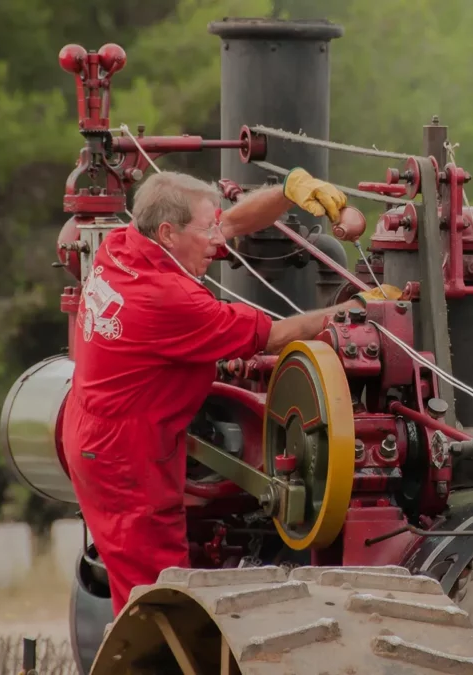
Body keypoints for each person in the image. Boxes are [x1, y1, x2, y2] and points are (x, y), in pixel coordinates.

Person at [61, 168, 400, 616]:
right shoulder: (169, 300)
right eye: (206, 230)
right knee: (158, 596)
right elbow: (275, 335)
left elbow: (232, 224)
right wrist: (360, 308)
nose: (217, 241)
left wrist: (288, 190)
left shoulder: (123, 244)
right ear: (168, 232)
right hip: (127, 457)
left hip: (99, 430)